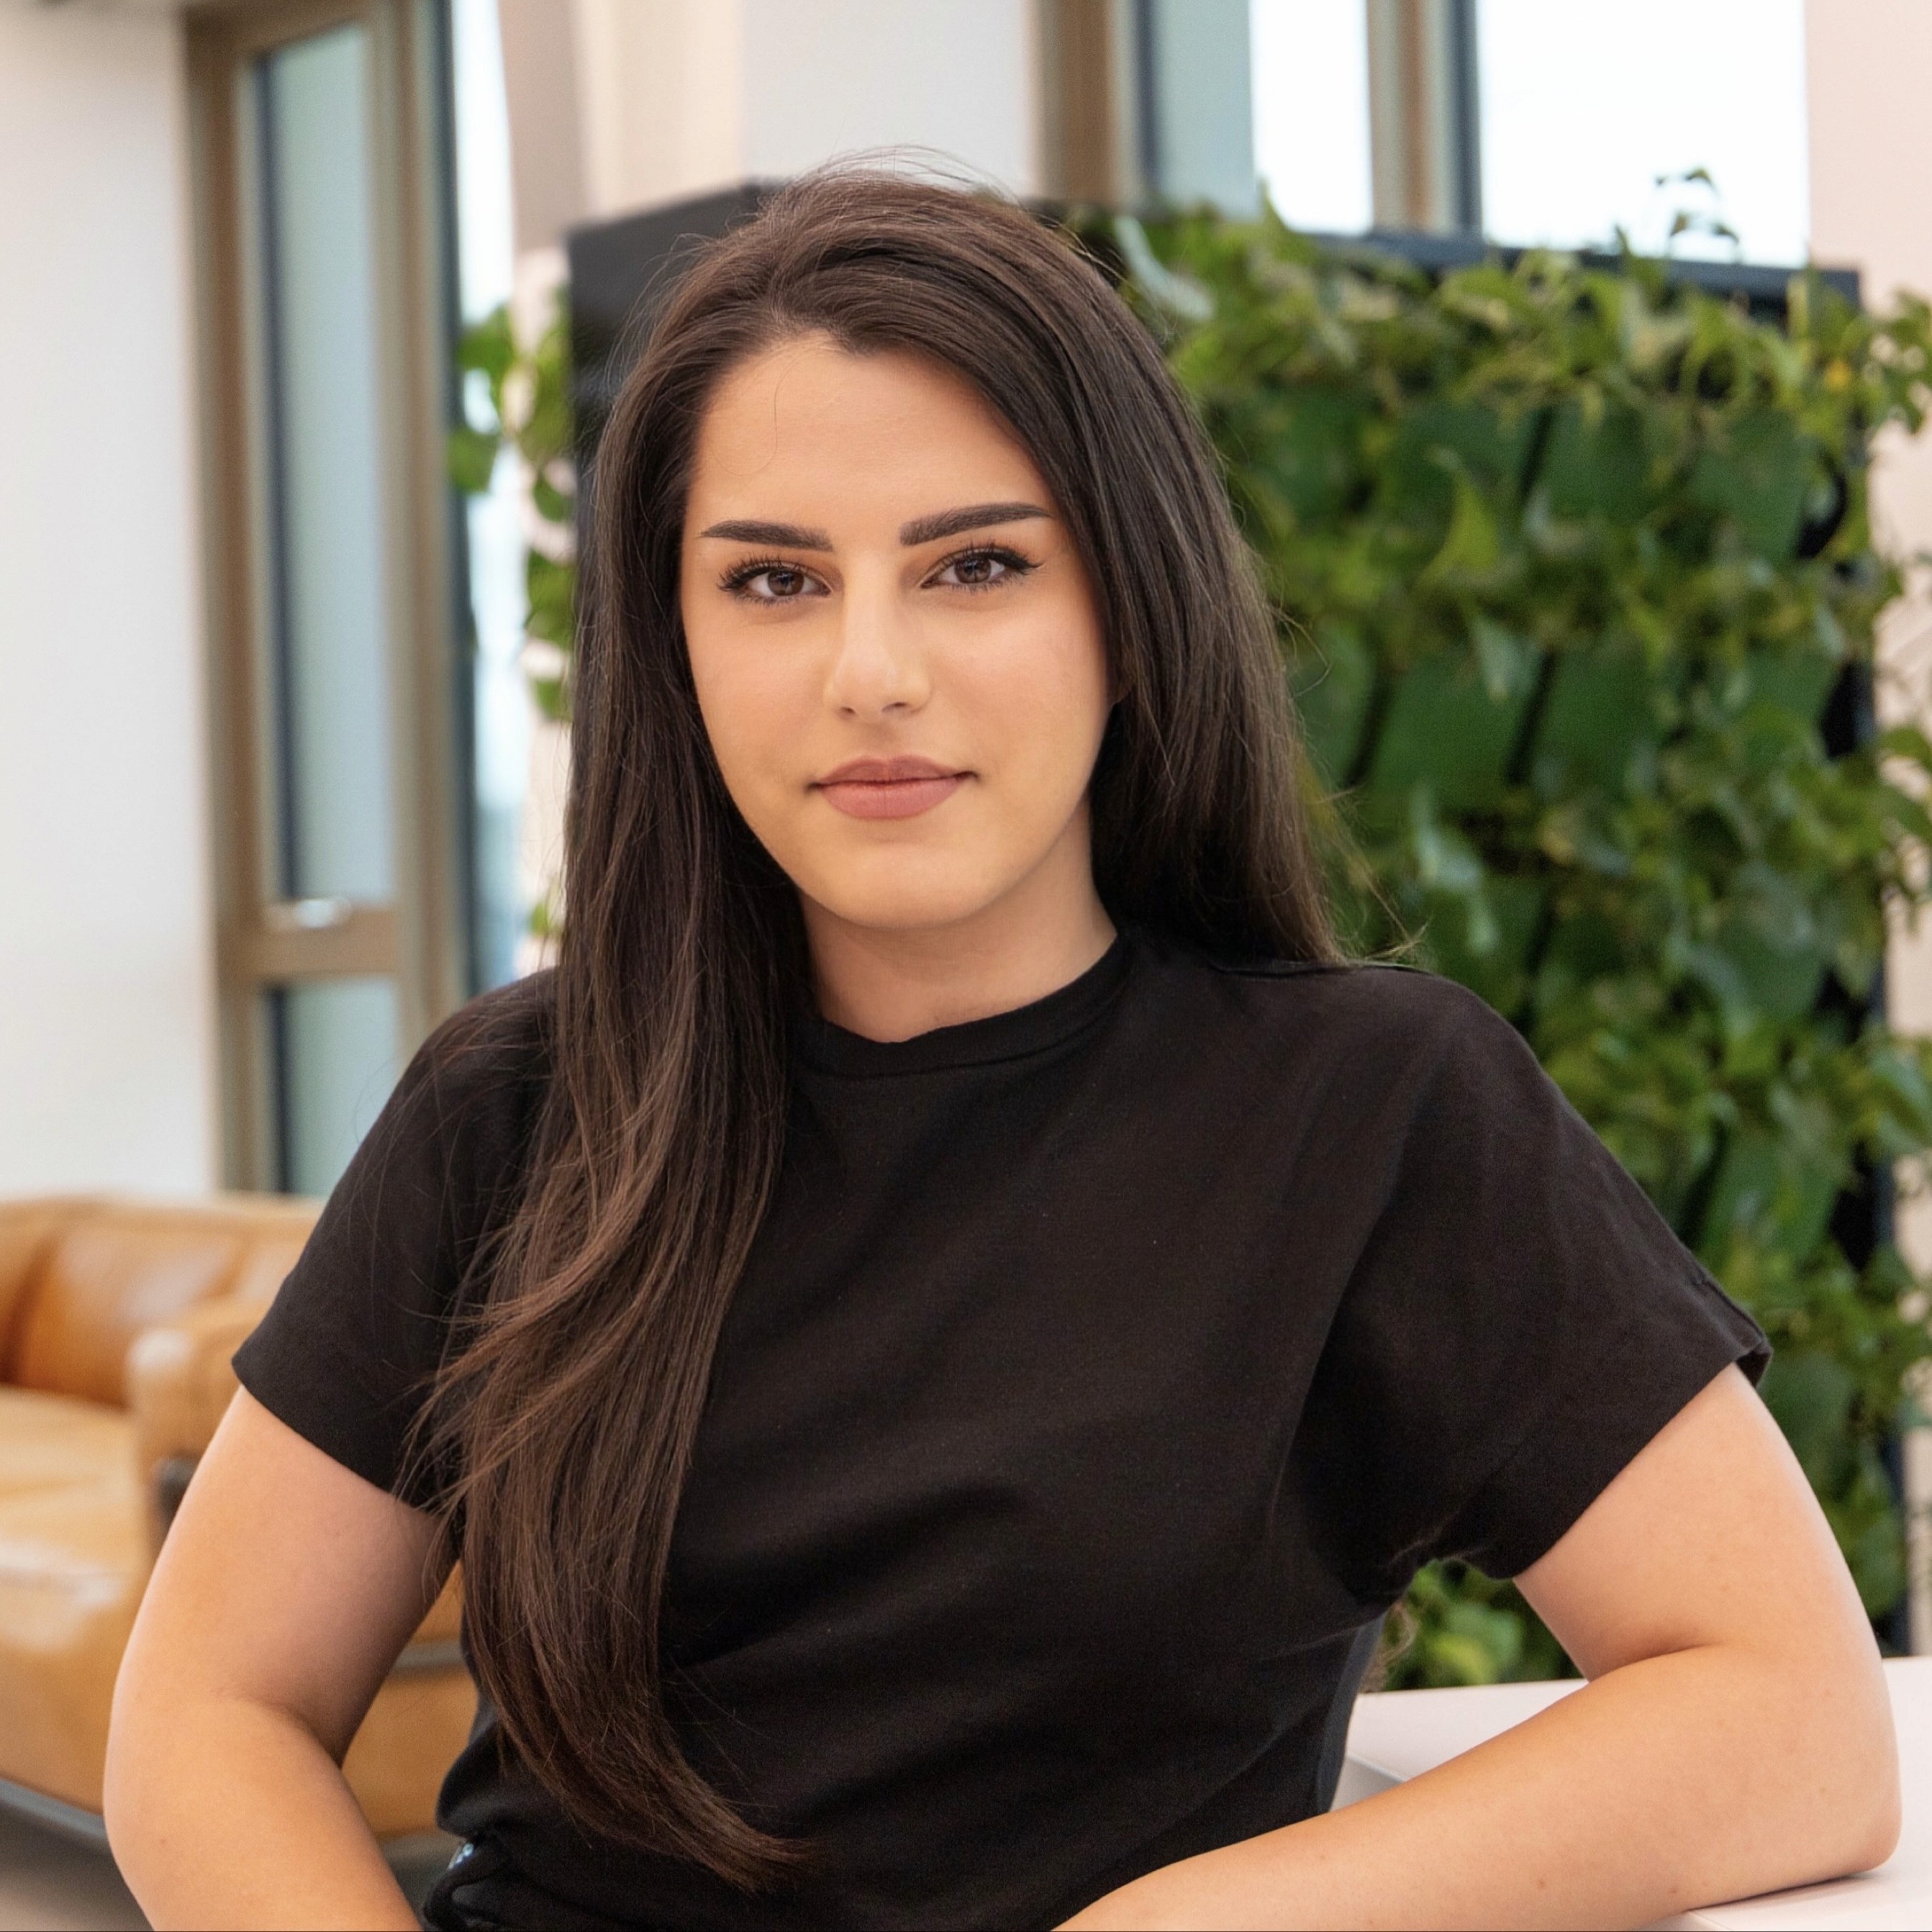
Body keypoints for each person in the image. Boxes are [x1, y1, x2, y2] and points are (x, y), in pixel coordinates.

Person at [105, 172, 1897, 1932]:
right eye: (774, 580)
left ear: (1126, 606)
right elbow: (211, 1709)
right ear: (677, 642)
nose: (871, 671)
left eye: (974, 565)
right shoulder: (516, 1110)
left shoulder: (1370, 1112)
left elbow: (1788, 1713)